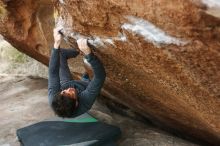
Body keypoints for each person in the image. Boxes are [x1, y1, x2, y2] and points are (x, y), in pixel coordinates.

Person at [48, 27, 106, 118]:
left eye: (64, 92)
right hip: (84, 87)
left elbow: (53, 72)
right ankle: (85, 77)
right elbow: (100, 76)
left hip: (65, 83)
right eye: (70, 94)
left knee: (59, 54)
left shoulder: (55, 98)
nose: (68, 90)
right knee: (91, 76)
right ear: (76, 103)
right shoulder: (85, 101)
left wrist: (56, 43)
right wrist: (89, 54)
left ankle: (78, 50)